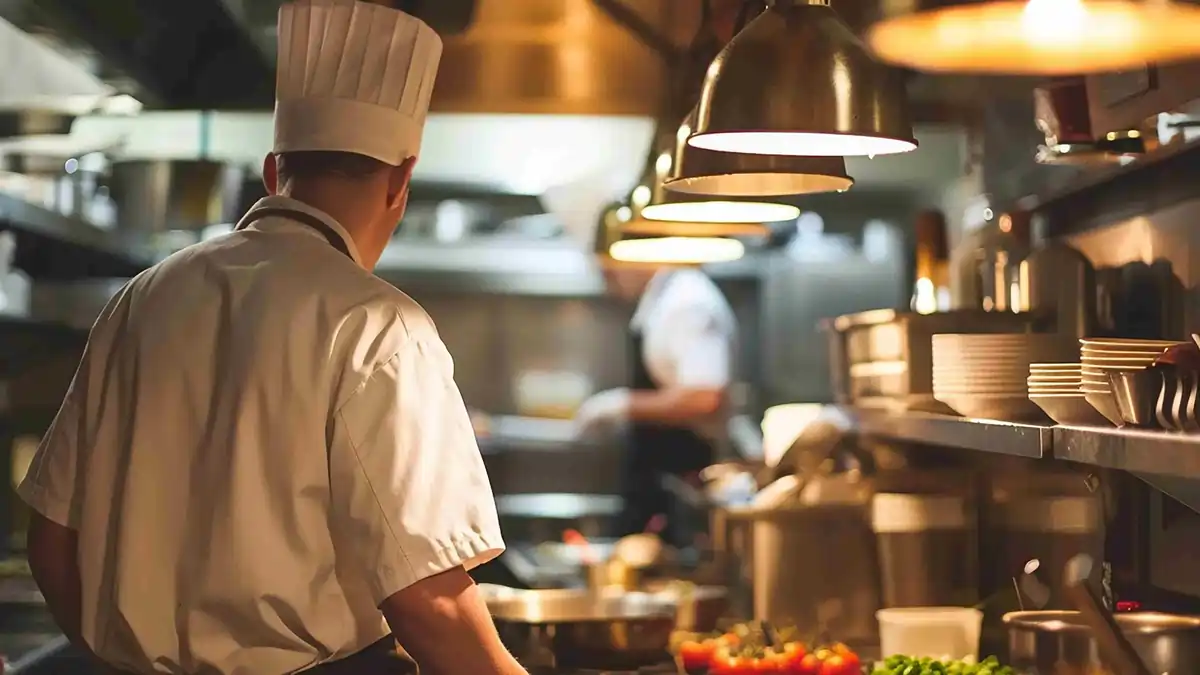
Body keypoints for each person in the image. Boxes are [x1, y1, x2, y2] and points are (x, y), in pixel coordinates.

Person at [17, 1, 526, 674]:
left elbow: (52, 541)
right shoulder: (382, 326)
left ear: (271, 170)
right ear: (400, 182)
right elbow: (429, 603)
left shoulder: (141, 299)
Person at [573, 236, 738, 546]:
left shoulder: (688, 301)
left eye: (610, 270)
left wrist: (621, 405)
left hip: (678, 485)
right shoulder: (663, 298)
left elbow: (704, 397)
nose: (609, 282)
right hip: (655, 479)